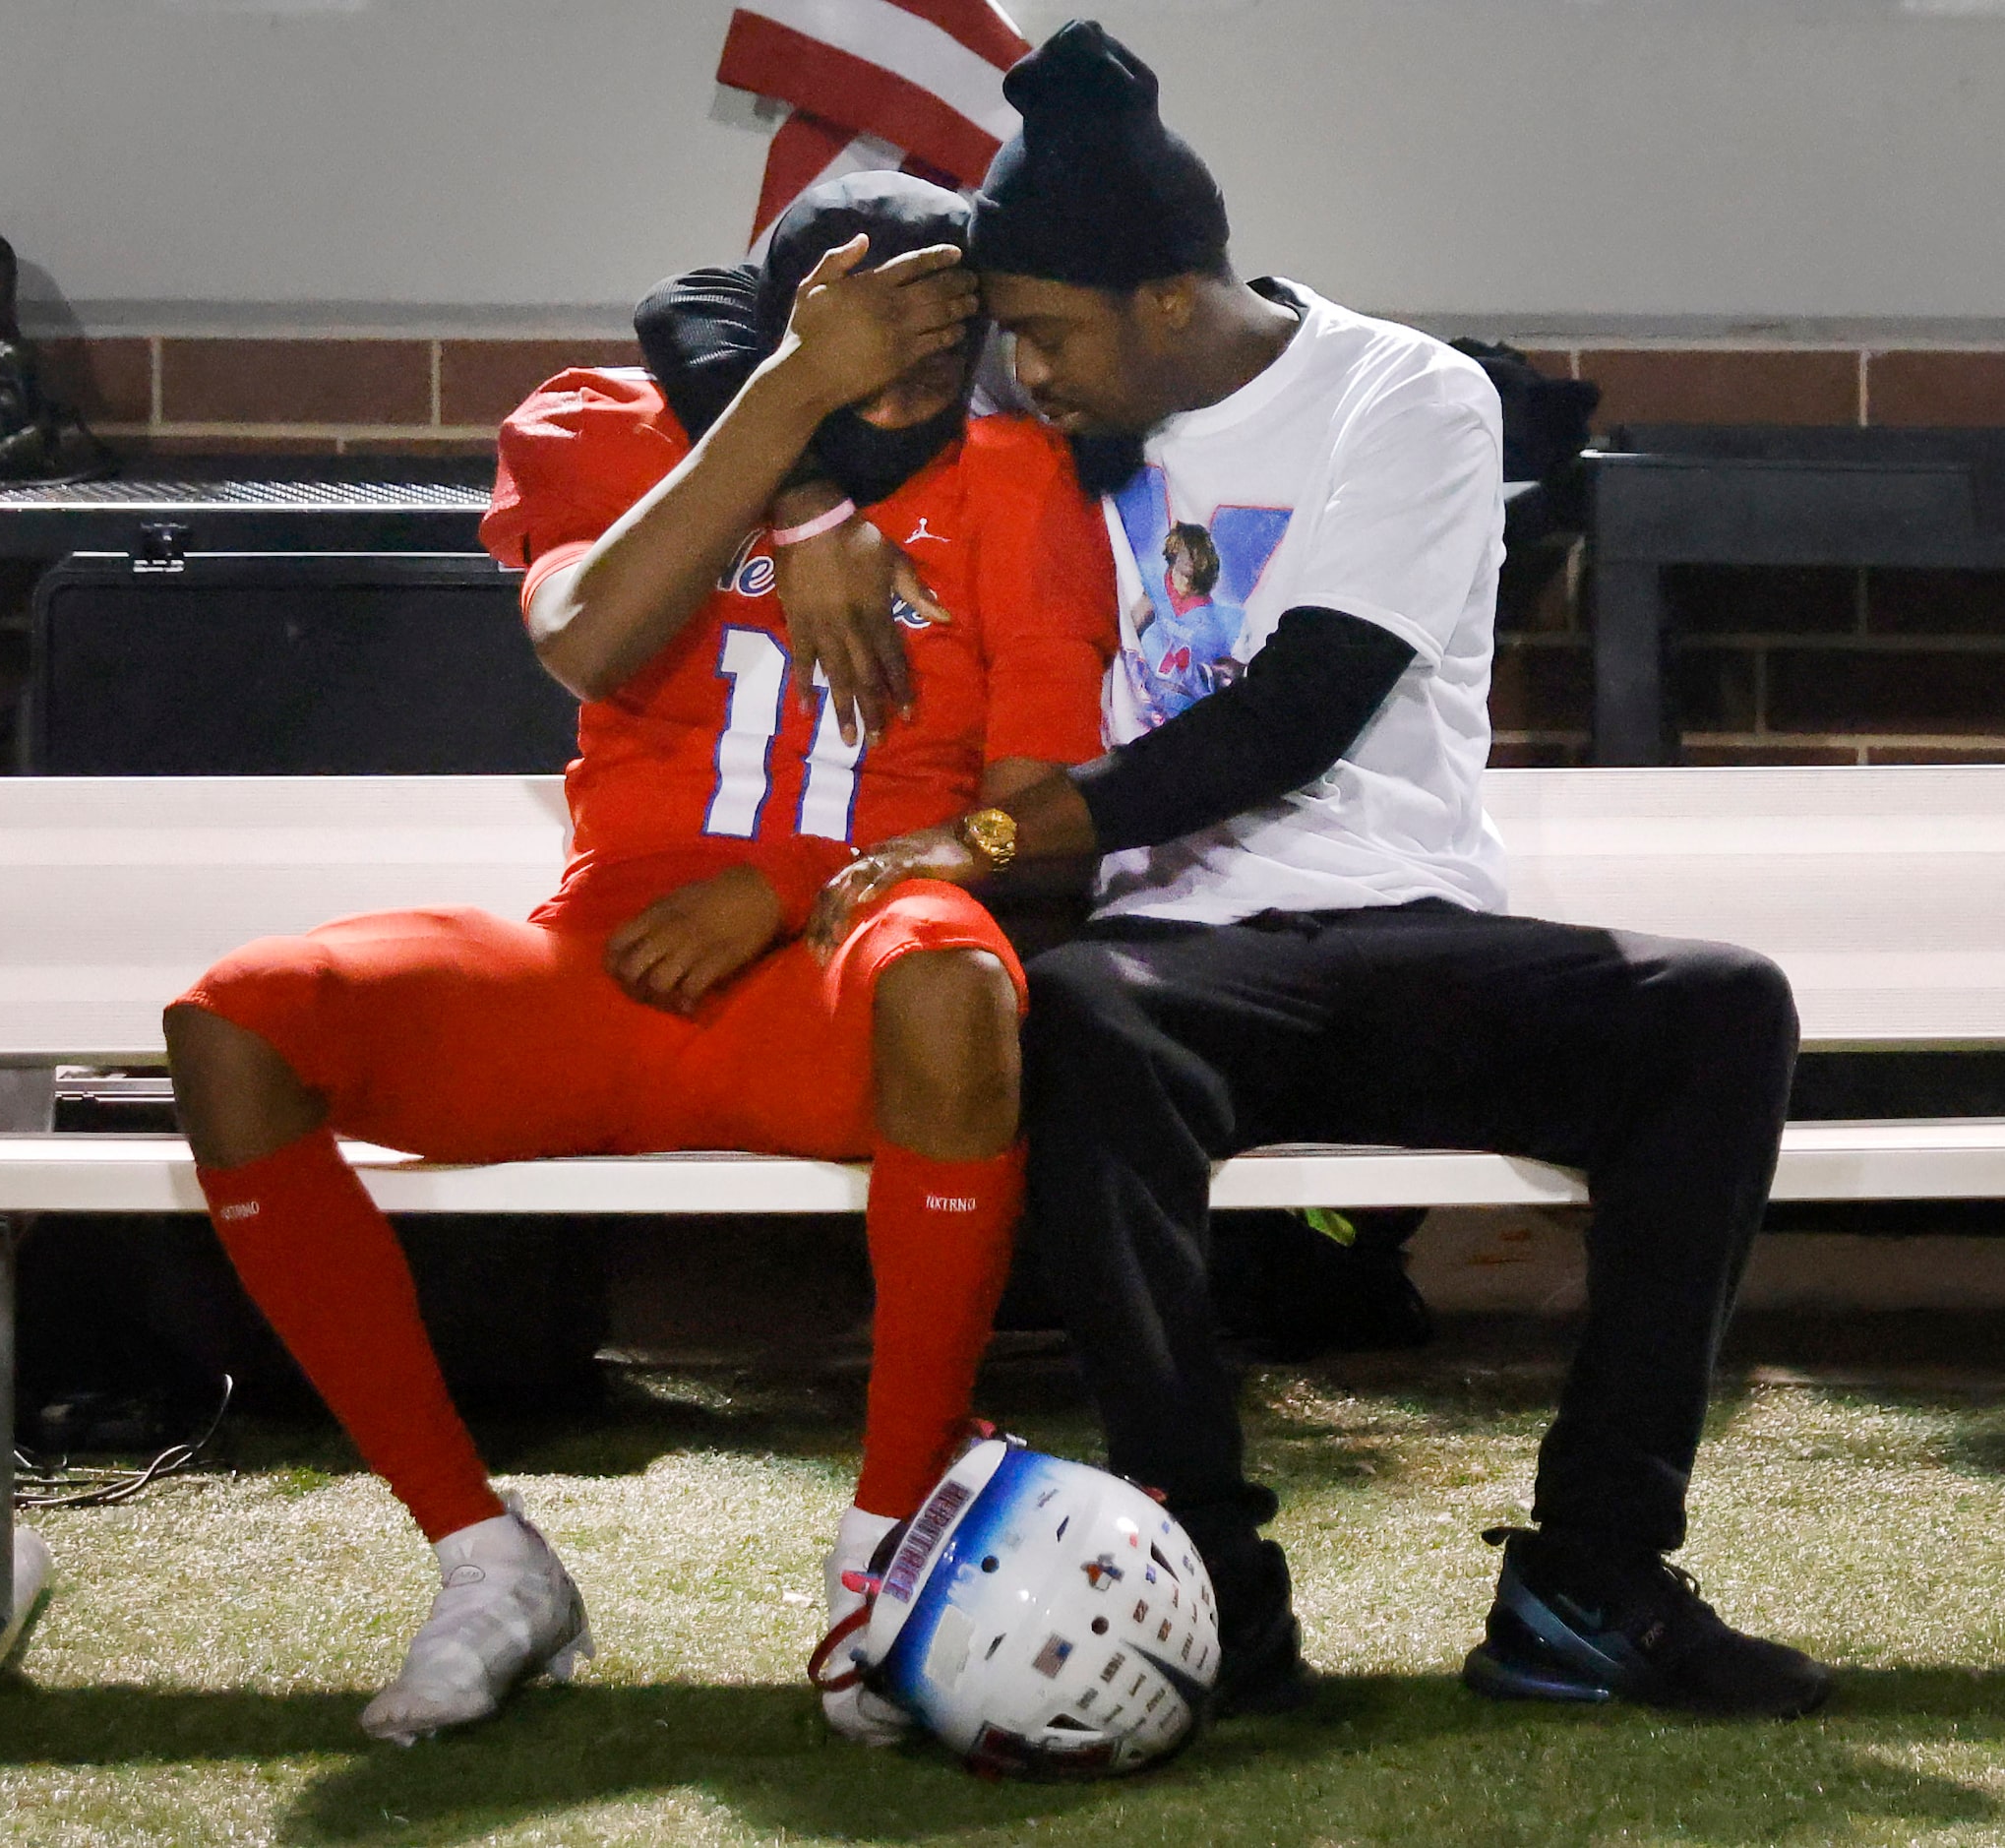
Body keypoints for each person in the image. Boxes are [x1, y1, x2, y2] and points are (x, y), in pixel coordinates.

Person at [740, 22, 1827, 1722]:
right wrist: (808, 502)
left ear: (1169, 299)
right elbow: (692, 317)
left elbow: (1292, 717)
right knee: (1086, 1013)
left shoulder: (1402, 394)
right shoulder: (1052, 425)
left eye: (1046, 335)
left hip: (1401, 939)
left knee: (1719, 1007)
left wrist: (980, 838)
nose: (1022, 377)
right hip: (1172, 966)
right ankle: (1214, 1595)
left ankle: (1592, 1579)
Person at [160, 172, 1116, 1748]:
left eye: (942, 349)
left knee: (956, 982)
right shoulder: (608, 421)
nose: (911, 386)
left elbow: (1035, 823)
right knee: (241, 1020)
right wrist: (791, 467)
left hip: (845, 950)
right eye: (870, 348)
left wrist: (791, 881)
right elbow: (590, 637)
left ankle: (881, 1551)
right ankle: (483, 1553)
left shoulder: (1020, 480)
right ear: (788, 331)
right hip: (613, 956)